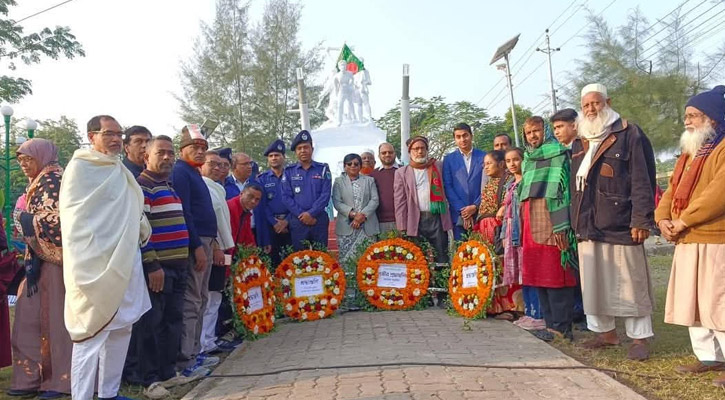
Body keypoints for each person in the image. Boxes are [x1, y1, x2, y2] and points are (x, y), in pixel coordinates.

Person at [60, 115, 151, 400]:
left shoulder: (119, 169)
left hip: (127, 258)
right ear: (91, 136)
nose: (115, 139)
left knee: (122, 328)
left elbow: (130, 209)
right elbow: (76, 220)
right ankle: (82, 396)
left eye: (118, 134)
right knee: (90, 336)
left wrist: (138, 225)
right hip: (94, 263)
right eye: (108, 133)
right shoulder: (79, 168)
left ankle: (109, 393)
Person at [570, 83, 656, 360]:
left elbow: (643, 179)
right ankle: (605, 334)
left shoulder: (629, 133)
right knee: (594, 282)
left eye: (596, 103)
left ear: (608, 102)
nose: (591, 109)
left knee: (631, 281)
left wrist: (641, 219)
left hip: (620, 220)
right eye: (586, 105)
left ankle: (640, 338)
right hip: (588, 223)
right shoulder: (579, 139)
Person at [655, 86, 725, 384]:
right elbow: (672, 189)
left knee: (718, 300)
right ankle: (709, 358)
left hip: (715, 237)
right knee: (692, 301)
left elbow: (717, 194)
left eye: (694, 116)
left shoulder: (721, 149)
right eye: (686, 116)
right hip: (687, 237)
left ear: (713, 118)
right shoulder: (690, 153)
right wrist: (662, 219)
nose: (687, 122)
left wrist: (683, 221)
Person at [124, 135, 189, 389]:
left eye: (171, 153)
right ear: (145, 157)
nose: (167, 157)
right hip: (159, 269)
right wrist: (152, 264)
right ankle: (149, 378)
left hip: (178, 267)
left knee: (173, 321)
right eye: (160, 152)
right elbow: (141, 230)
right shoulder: (142, 187)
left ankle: (168, 373)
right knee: (152, 324)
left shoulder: (168, 185)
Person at [9, 139, 71, 399]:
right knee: (29, 319)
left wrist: (23, 220)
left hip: (55, 263)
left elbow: (59, 222)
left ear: (43, 156)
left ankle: (59, 381)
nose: (24, 164)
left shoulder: (54, 180)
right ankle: (29, 379)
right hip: (37, 262)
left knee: (55, 322)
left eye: (28, 159)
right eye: (21, 160)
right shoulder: (39, 181)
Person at [518, 116, 578, 342]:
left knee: (556, 273)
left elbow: (564, 191)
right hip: (531, 222)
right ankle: (550, 325)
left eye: (536, 131)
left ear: (545, 132)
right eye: (528, 132)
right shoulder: (528, 159)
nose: (532, 136)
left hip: (552, 220)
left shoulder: (559, 154)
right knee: (539, 275)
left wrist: (562, 225)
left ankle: (563, 328)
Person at [172, 124, 219, 377]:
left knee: (201, 299)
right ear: (182, 150)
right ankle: (185, 361)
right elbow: (184, 211)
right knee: (192, 300)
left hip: (206, 241)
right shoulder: (180, 172)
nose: (200, 152)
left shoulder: (194, 173)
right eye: (195, 147)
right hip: (196, 243)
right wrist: (196, 246)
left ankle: (195, 353)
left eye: (203, 148)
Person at [394, 136, 452, 306]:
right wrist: (402, 225)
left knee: (442, 256)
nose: (420, 151)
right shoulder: (402, 172)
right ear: (409, 151)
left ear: (427, 149)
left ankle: (442, 296)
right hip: (415, 220)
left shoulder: (438, 167)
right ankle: (422, 296)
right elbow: (400, 200)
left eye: (422, 148)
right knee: (418, 260)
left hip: (437, 218)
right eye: (416, 149)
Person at [499, 147, 545, 332]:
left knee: (531, 273)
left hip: (525, 231)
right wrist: (504, 235)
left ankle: (538, 314)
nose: (512, 164)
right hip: (512, 232)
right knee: (522, 274)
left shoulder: (528, 182)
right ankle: (528, 312)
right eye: (508, 161)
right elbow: (506, 213)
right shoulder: (510, 184)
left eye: (516, 160)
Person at [476, 150, 521, 318]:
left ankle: (508, 308)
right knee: (489, 266)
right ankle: (492, 307)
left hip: (498, 228)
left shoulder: (509, 181)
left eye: (489, 163)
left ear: (501, 164)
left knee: (503, 266)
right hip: (484, 229)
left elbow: (507, 204)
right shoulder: (490, 182)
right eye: (484, 164)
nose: (485, 167)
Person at [199, 151, 235, 356]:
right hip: (213, 248)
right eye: (212, 164)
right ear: (201, 166)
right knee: (209, 297)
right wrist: (216, 247)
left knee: (215, 297)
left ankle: (209, 340)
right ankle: (204, 343)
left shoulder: (218, 189)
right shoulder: (203, 187)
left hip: (222, 248)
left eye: (222, 165)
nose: (218, 168)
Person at [281, 130, 332, 250]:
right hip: (298, 221)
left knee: (321, 257)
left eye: (306, 147)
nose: (303, 150)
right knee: (299, 260)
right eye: (299, 148)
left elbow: (325, 195)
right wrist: (302, 215)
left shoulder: (323, 169)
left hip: (318, 220)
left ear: (312, 149)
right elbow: (286, 197)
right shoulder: (289, 171)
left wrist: (311, 214)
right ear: (296, 152)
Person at [333, 153, 380, 262]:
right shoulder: (339, 182)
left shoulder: (369, 180)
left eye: (356, 164)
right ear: (345, 166)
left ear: (360, 166)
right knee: (346, 261)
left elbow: (375, 200)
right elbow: (337, 202)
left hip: (367, 226)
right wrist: (354, 214)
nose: (353, 166)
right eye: (349, 164)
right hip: (347, 226)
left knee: (368, 262)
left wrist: (362, 216)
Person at [443, 123, 486, 240]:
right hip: (458, 216)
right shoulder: (448, 160)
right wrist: (464, 211)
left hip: (480, 212)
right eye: (458, 137)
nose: (462, 139)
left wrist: (475, 206)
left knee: (484, 253)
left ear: (471, 136)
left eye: (465, 135)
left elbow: (488, 185)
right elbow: (448, 186)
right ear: (455, 139)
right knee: (461, 253)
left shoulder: (484, 156)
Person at [256, 139, 291, 267]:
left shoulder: (292, 175)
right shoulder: (262, 179)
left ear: (284, 157)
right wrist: (275, 223)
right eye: (271, 156)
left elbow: (297, 200)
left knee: (293, 261)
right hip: (271, 227)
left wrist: (287, 221)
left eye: (277, 155)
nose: (274, 158)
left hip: (291, 225)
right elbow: (262, 204)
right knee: (272, 262)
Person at [369, 143, 398, 234]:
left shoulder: (404, 171)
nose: (387, 155)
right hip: (380, 222)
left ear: (395, 154)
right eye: (384, 153)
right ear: (379, 156)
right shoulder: (373, 175)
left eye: (390, 152)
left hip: (402, 221)